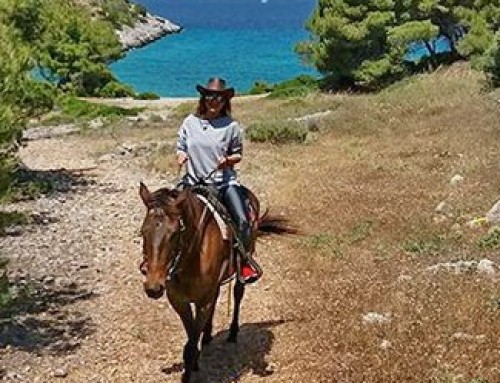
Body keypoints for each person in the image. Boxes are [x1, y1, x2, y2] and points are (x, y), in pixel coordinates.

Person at [176, 77, 261, 284]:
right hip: (193, 183)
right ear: (203, 98)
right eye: (209, 96)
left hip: (223, 184)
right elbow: (181, 145)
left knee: (242, 220)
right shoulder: (190, 122)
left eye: (218, 98)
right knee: (165, 216)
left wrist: (228, 160)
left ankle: (244, 263)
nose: (213, 101)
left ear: (225, 101)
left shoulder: (231, 126)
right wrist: (181, 154)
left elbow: (238, 154)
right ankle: (161, 261)